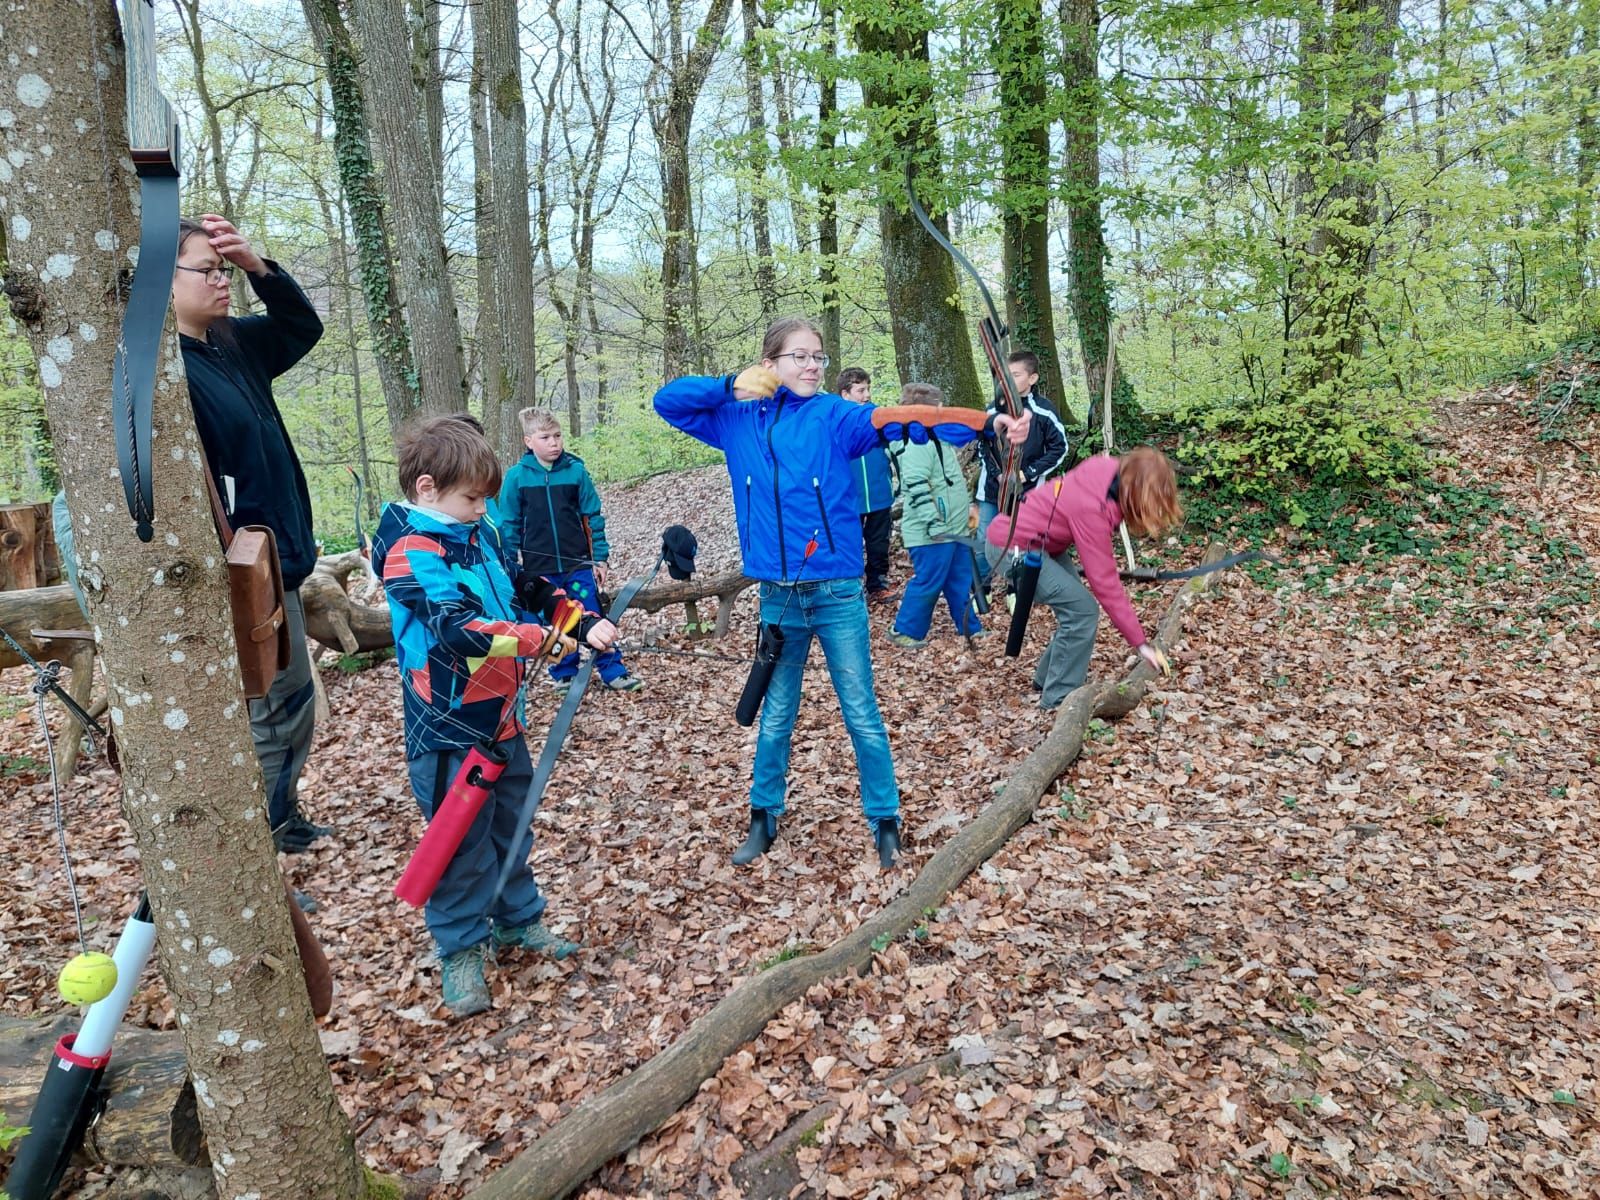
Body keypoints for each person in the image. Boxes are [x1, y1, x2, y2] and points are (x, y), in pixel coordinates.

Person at [653, 316, 1032, 868]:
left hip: (835, 592)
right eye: (799, 356)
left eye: (818, 357)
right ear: (770, 364)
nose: (812, 365)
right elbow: (668, 401)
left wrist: (988, 422)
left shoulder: (837, 417)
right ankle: (763, 815)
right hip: (778, 595)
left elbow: (909, 420)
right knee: (777, 711)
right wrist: (729, 384)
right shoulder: (733, 420)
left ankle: (885, 820)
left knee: (860, 710)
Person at [370, 416, 619, 1017]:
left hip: (504, 716)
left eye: (485, 499)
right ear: (427, 488)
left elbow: (528, 585)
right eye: (471, 498)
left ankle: (518, 920)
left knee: (512, 823)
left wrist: (579, 621)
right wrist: (542, 641)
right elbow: (458, 630)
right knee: (460, 842)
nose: (482, 509)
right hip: (449, 725)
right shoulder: (410, 552)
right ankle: (460, 948)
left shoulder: (478, 535)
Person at [171, 215, 330, 867]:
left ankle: (281, 819)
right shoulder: (166, 375)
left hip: (282, 560)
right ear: (160, 279)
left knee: (289, 708)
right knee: (276, 711)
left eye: (223, 269)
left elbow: (303, 328)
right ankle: (260, 849)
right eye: (206, 270)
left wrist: (259, 267)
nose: (221, 281)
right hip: (243, 575)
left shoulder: (232, 342)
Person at [984, 448, 1181, 710]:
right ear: (1137, 492)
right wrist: (1141, 644)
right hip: (1012, 549)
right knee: (1082, 612)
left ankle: (1046, 680)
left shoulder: (1108, 468)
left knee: (1077, 610)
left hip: (1042, 545)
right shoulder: (1092, 509)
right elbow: (1105, 583)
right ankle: (1059, 701)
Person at [497, 408, 641, 693]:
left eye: (558, 436)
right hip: (539, 568)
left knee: (592, 613)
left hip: (577, 564)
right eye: (545, 437)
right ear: (528, 441)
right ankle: (564, 673)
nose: (554, 443)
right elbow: (509, 525)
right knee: (554, 619)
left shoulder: (576, 471)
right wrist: (510, 565)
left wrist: (599, 558)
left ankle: (612, 670)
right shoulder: (516, 478)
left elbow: (593, 517)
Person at [888, 383, 986, 647]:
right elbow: (917, 487)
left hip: (952, 529)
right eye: (938, 407)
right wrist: (933, 524)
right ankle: (905, 631)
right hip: (930, 534)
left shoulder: (936, 438)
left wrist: (964, 512)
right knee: (929, 583)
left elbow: (947, 483)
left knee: (958, 581)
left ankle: (970, 627)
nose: (943, 411)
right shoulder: (916, 443)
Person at [973, 351, 1070, 587]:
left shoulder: (1044, 411)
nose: (1007, 380)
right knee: (984, 537)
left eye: (1015, 375)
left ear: (1033, 378)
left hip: (1025, 492)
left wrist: (1027, 473)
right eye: (1005, 375)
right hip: (991, 489)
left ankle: (1015, 588)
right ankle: (980, 588)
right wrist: (998, 474)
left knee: (1018, 540)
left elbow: (1060, 449)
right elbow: (982, 446)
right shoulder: (993, 410)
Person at [837, 367, 896, 605]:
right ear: (845, 394)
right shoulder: (835, 421)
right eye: (861, 390)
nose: (867, 394)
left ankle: (878, 585)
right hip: (848, 498)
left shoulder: (879, 418)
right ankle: (849, 589)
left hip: (879, 493)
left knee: (879, 543)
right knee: (848, 543)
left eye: (868, 389)